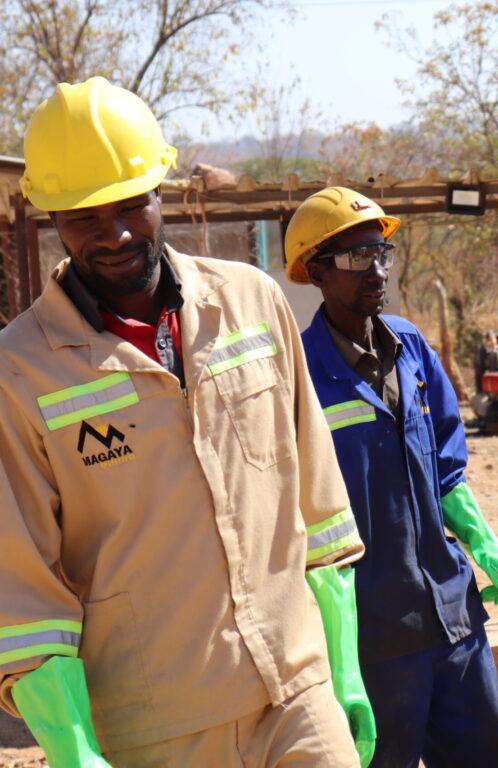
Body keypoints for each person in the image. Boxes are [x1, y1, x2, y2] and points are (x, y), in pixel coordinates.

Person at [0, 77, 373, 768]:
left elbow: (319, 508)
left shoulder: (253, 304)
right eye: (83, 216)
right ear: (49, 216)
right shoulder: (20, 374)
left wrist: (343, 669)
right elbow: (19, 587)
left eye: (129, 204)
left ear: (159, 191)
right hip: (156, 727)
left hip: (299, 693)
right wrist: (74, 749)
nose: (111, 233)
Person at [284, 186, 498, 768]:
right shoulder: (298, 372)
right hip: (373, 635)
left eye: (382, 253)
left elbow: (445, 458)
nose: (377, 269)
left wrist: (482, 540)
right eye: (357, 257)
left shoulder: (411, 346)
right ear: (316, 272)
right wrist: (337, 662)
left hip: (453, 614)